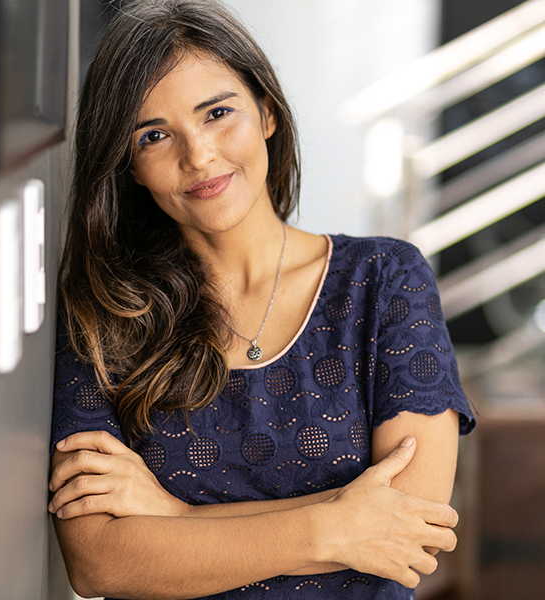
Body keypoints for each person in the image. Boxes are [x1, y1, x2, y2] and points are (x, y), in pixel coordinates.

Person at [48, 1, 476, 598]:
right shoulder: (109, 311)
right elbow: (100, 562)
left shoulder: (384, 281)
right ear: (130, 167)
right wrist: (337, 526)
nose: (198, 156)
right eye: (154, 135)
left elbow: (413, 527)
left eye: (217, 113)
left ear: (268, 112)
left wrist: (178, 520)